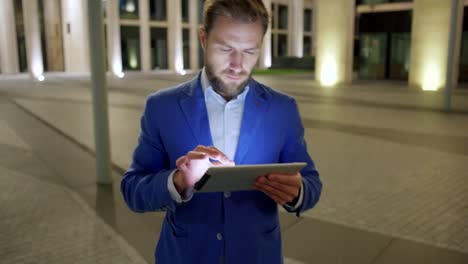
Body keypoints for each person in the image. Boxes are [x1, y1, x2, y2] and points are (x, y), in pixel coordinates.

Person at [121, 0, 322, 263]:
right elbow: (133, 190)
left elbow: (311, 184)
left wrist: (298, 192)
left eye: (250, 51)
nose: (237, 64)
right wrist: (178, 181)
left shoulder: (283, 109)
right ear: (203, 38)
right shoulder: (162, 107)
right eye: (226, 48)